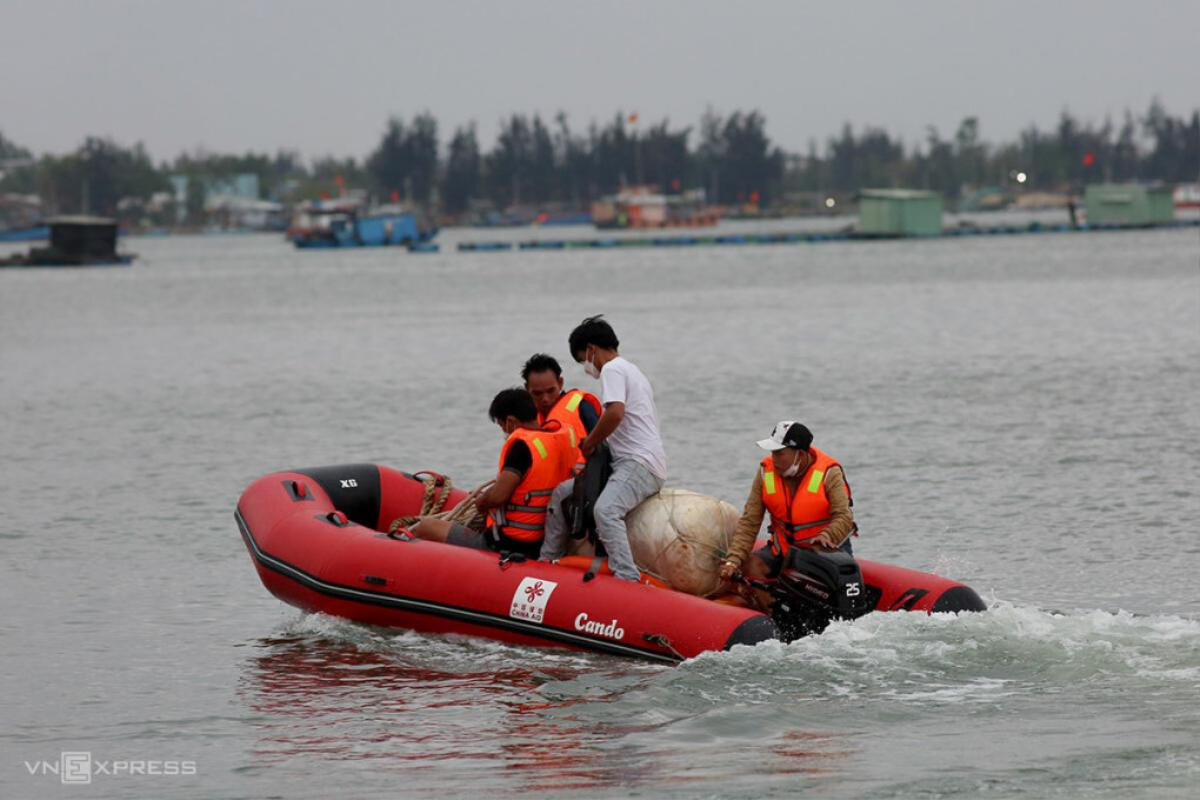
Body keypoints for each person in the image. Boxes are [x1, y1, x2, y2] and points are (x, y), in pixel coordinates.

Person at [539, 315, 668, 581]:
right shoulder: (632, 370)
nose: (587, 366)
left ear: (592, 349)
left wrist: (590, 443)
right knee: (563, 494)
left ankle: (627, 577)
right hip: (624, 462)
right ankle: (546, 561)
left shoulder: (613, 369)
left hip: (638, 463)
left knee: (605, 511)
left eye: (583, 359)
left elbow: (614, 413)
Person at [410, 388, 574, 558]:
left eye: (502, 425)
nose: (504, 431)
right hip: (542, 540)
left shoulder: (522, 447)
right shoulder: (555, 440)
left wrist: (481, 502)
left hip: (508, 543)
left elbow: (498, 497)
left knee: (425, 527)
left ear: (510, 422)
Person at [718, 421, 857, 601]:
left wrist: (827, 536)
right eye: (772, 452)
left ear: (799, 454)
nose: (774, 459)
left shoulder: (829, 473)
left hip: (823, 552)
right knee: (751, 566)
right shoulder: (765, 473)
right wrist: (733, 560)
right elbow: (750, 522)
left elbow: (844, 517)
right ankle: (772, 616)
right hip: (783, 551)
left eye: (779, 453)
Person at [521, 353, 601, 456]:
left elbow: (603, 447)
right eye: (537, 393)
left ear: (560, 383)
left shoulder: (581, 407)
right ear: (526, 389)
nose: (545, 399)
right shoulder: (525, 420)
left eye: (551, 391)